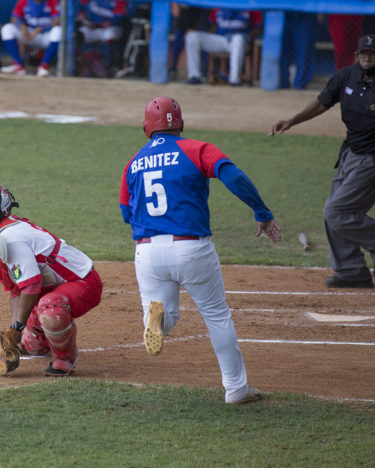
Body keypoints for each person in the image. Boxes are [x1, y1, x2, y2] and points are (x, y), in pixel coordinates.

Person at [119, 96, 282, 404]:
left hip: (148, 252)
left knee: (167, 317)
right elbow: (232, 175)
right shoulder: (195, 149)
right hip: (191, 248)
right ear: (180, 124)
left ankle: (154, 322)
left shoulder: (133, 163)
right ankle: (235, 389)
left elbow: (126, 214)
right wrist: (261, 211)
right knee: (216, 316)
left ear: (146, 128)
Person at [269, 34, 375, 288]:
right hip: (349, 154)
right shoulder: (346, 76)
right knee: (334, 211)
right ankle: (351, 270)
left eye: (372, 54)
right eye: (363, 53)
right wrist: (291, 121)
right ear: (356, 56)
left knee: (336, 211)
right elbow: (321, 103)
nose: (367, 57)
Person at [0, 186, 103, 376]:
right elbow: (17, 290)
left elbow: (31, 286)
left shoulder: (10, 237)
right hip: (56, 287)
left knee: (50, 308)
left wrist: (18, 328)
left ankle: (65, 358)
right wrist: (12, 332)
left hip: (83, 283)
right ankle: (41, 342)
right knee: (33, 344)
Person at [184, 8, 261, 86]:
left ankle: (234, 80)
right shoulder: (219, 2)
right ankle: (194, 76)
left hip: (240, 41)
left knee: (237, 39)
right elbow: (214, 25)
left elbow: (259, 27)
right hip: (220, 39)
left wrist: (248, 37)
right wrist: (208, 36)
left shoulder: (249, 4)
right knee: (192, 36)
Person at [0, 0, 61, 77]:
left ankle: (43, 66)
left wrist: (41, 28)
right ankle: (18, 65)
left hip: (46, 36)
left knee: (58, 31)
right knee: (7, 28)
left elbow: (58, 21)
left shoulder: (52, 1)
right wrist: (22, 26)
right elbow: (14, 18)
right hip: (29, 35)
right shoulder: (24, 1)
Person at [76, 0, 128, 77]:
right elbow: (80, 12)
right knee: (79, 34)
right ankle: (80, 65)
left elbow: (120, 16)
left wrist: (102, 24)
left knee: (110, 35)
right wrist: (86, 22)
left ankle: (108, 67)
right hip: (92, 28)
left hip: (110, 27)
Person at [167, 3, 209, 81]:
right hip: (187, 8)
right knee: (179, 38)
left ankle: (204, 70)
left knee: (203, 37)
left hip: (202, 7)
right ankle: (173, 69)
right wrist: (175, 3)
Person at [279, 12, 318, 89]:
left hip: (305, 15)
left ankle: (300, 84)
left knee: (304, 52)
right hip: (285, 13)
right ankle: (283, 82)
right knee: (283, 52)